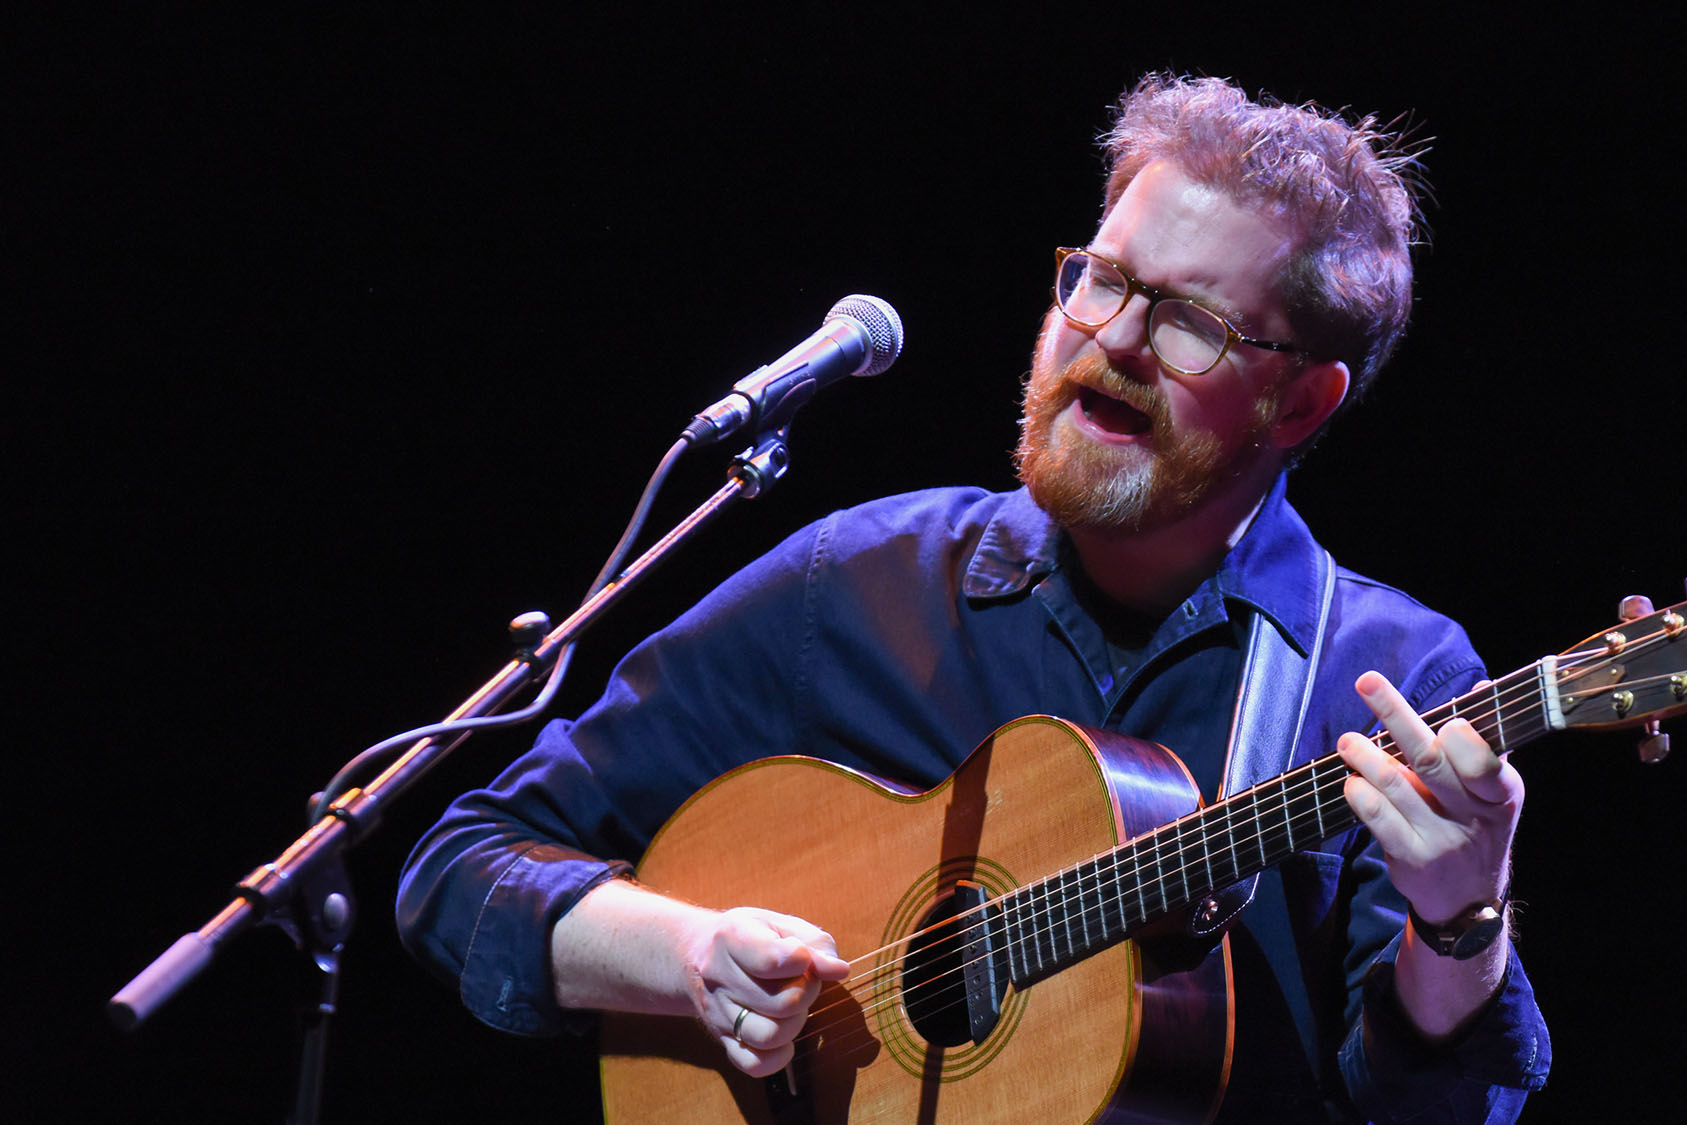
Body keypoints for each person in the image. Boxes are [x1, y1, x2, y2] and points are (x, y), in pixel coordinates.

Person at [397, 74, 1550, 1122]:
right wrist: (693, 953)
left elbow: (1425, 1112)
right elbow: (465, 864)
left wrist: (1462, 924)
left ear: (1299, 405)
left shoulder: (1390, 681)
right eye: (1101, 280)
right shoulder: (857, 582)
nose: (1113, 342)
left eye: (1191, 323)